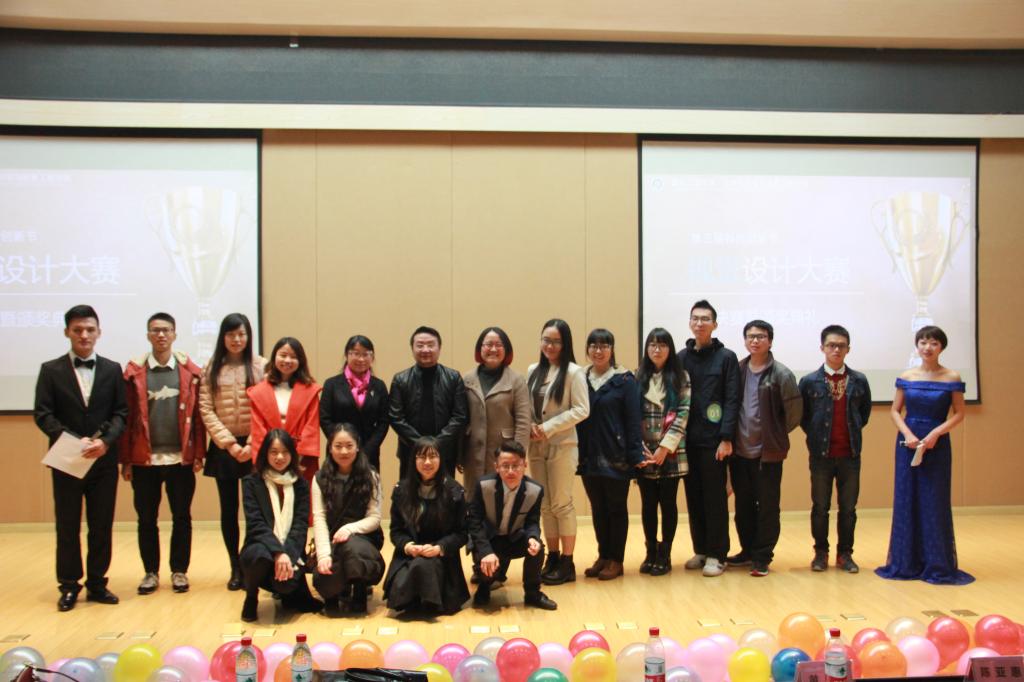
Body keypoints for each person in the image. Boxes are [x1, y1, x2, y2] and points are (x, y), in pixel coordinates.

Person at [34, 305, 128, 612]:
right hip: (67, 460)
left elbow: (121, 413)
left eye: (90, 329)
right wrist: (73, 441)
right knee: (67, 525)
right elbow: (43, 414)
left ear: (99, 332)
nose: (84, 335)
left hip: (102, 460)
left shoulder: (112, 369)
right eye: (78, 330)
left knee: (101, 525)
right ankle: (69, 585)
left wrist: (105, 441)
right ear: (67, 332)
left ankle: (98, 583)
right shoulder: (51, 370)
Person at [876, 326, 973, 585]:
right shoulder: (907, 375)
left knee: (934, 500)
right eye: (923, 342)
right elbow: (895, 411)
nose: (927, 347)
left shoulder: (951, 376)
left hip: (936, 443)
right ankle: (905, 562)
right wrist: (907, 434)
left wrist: (936, 434)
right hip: (907, 443)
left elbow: (960, 413)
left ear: (941, 347)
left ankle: (937, 563)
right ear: (917, 346)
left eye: (934, 343)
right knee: (906, 498)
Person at [119, 312, 205, 595]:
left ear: (174, 335)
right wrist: (126, 459)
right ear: (148, 335)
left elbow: (198, 417)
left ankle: (179, 571)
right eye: (155, 330)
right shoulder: (134, 373)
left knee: (182, 516)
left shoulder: (189, 372)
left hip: (180, 459)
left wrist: (199, 453)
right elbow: (126, 419)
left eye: (166, 330)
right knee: (146, 519)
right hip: (145, 459)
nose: (161, 335)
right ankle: (150, 572)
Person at [726, 320, 802, 577]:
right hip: (739, 452)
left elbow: (794, 414)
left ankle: (762, 557)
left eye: (760, 336)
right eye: (750, 336)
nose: (755, 340)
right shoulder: (738, 370)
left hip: (768, 454)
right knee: (743, 506)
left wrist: (774, 434)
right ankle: (747, 550)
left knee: (768, 507)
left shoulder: (782, 374)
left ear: (770, 341)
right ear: (745, 340)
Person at [199, 313, 265, 591]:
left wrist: (250, 443)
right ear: (223, 337)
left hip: (254, 445)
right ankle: (234, 567)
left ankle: (251, 564)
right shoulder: (211, 367)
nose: (237, 340)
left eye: (241, 334)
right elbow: (206, 409)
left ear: (248, 336)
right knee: (228, 510)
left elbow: (264, 407)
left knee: (254, 510)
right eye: (231, 334)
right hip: (223, 447)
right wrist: (230, 443)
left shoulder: (261, 366)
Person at [799, 324, 872, 573]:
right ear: (822, 348)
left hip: (850, 455)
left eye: (841, 346)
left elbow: (863, 415)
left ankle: (845, 554)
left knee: (848, 509)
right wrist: (817, 435)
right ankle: (821, 553)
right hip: (821, 456)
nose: (836, 350)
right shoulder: (809, 381)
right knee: (820, 507)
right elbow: (804, 417)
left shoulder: (859, 380)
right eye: (831, 345)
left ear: (848, 349)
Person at [678, 300, 740, 577]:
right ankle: (701, 549)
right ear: (690, 323)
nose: (699, 323)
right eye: (695, 318)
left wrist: (726, 437)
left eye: (705, 319)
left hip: (714, 441)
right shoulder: (681, 357)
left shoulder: (726, 357)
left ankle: (717, 554)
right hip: (687, 440)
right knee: (694, 497)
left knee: (715, 499)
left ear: (714, 324)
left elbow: (732, 399)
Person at [577, 328, 644, 581]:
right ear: (587, 349)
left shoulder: (625, 380)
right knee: (598, 508)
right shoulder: (580, 378)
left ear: (611, 349)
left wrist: (635, 457)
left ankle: (616, 559)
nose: (598, 350)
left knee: (616, 508)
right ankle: (603, 556)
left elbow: (633, 420)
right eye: (593, 345)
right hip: (588, 454)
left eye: (604, 346)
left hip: (617, 455)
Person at [526, 318, 590, 586]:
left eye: (556, 341)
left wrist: (548, 427)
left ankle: (567, 561)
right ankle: (551, 556)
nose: (550, 346)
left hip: (563, 445)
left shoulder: (574, 372)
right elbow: (527, 405)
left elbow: (582, 409)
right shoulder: (533, 370)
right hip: (536, 446)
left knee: (562, 504)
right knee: (545, 505)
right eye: (546, 340)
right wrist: (531, 425)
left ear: (565, 344)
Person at [239, 429, 323, 622]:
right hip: (260, 546)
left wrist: (287, 555)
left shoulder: (301, 485)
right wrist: (278, 552)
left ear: (292, 455)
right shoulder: (251, 483)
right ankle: (251, 596)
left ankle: (285, 592)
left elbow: (300, 527)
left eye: (285, 452)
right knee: (259, 557)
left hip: (290, 549)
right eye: (274, 452)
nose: (279, 457)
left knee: (287, 585)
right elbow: (256, 525)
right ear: (265, 454)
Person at [383, 437, 470, 615]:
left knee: (423, 567)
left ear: (441, 459)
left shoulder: (454, 491)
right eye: (422, 457)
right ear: (413, 460)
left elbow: (462, 533)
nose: (427, 462)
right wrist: (408, 546)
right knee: (410, 574)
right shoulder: (401, 490)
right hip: (409, 555)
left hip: (442, 558)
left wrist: (440, 548)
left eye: (433, 456)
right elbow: (396, 531)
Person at [467, 440, 557, 610]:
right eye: (505, 466)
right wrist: (486, 551)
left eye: (516, 466)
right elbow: (474, 522)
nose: (510, 471)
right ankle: (484, 587)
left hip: (514, 538)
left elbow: (532, 522)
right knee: (487, 568)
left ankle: (533, 593)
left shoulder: (535, 490)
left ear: (525, 465)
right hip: (488, 540)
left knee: (537, 549)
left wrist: (533, 537)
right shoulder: (483, 486)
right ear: (496, 467)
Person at [312, 424, 387, 613]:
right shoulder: (319, 478)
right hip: (332, 540)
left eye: (349, 446)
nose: (344, 451)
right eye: (338, 446)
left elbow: (374, 518)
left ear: (358, 447)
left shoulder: (371, 476)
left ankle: (360, 589)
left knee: (352, 548)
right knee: (325, 576)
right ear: (330, 448)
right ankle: (339, 590)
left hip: (363, 539)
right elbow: (319, 519)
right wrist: (323, 555)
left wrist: (349, 529)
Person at [635, 328, 690, 576]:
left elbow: (683, 413)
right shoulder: (638, 376)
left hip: (671, 452)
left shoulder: (681, 377)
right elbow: (632, 414)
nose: (657, 350)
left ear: (670, 349)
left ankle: (665, 554)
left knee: (668, 503)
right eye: (652, 345)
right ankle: (650, 551)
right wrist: (640, 448)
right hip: (644, 453)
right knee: (648, 504)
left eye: (663, 345)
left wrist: (664, 448)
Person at [388, 326, 469, 479]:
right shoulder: (400, 379)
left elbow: (460, 416)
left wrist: (436, 445)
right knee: (409, 492)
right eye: (420, 345)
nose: (425, 349)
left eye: (431, 345)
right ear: (412, 348)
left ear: (439, 348)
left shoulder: (453, 377)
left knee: (445, 492)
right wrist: (421, 445)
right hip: (410, 452)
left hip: (444, 452)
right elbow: (395, 417)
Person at [461, 326, 531, 499]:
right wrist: (459, 454)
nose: (493, 349)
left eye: (498, 345)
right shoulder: (467, 379)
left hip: (505, 454)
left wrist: (518, 457)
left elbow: (523, 422)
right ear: (480, 348)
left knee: (502, 500)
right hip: (473, 455)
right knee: (473, 500)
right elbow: (461, 419)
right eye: (488, 344)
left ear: (506, 349)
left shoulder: (516, 380)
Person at [248, 336, 322, 483]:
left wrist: (294, 459)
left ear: (300, 361)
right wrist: (272, 458)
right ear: (274, 357)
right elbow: (258, 430)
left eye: (293, 357)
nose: (287, 360)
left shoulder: (310, 391)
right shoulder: (259, 392)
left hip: (301, 461)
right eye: (283, 355)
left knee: (301, 496)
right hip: (269, 460)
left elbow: (311, 428)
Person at [319, 335, 390, 471]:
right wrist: (341, 445)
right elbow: (325, 419)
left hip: (369, 454)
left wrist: (367, 450)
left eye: (366, 354)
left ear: (372, 357)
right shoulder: (331, 384)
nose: (361, 359)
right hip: (339, 453)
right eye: (356, 354)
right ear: (347, 355)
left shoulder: (379, 386)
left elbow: (384, 422)